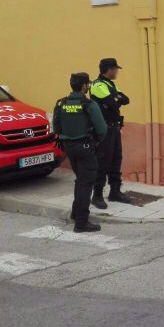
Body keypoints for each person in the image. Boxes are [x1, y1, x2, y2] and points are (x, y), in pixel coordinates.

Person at [53, 73, 107, 233]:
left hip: (69, 147)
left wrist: (65, 139)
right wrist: (95, 142)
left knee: (81, 180)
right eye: (88, 83)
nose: (89, 86)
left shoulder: (61, 103)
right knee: (86, 183)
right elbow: (102, 129)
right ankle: (81, 223)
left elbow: (56, 126)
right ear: (84, 86)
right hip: (84, 147)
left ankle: (76, 214)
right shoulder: (88, 104)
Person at [90, 58, 132, 209]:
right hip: (104, 129)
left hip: (114, 128)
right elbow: (113, 102)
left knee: (116, 159)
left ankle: (115, 192)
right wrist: (115, 99)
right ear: (109, 69)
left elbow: (126, 99)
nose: (117, 72)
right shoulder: (98, 85)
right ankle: (97, 195)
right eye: (116, 69)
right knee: (103, 161)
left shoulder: (110, 84)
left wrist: (115, 99)